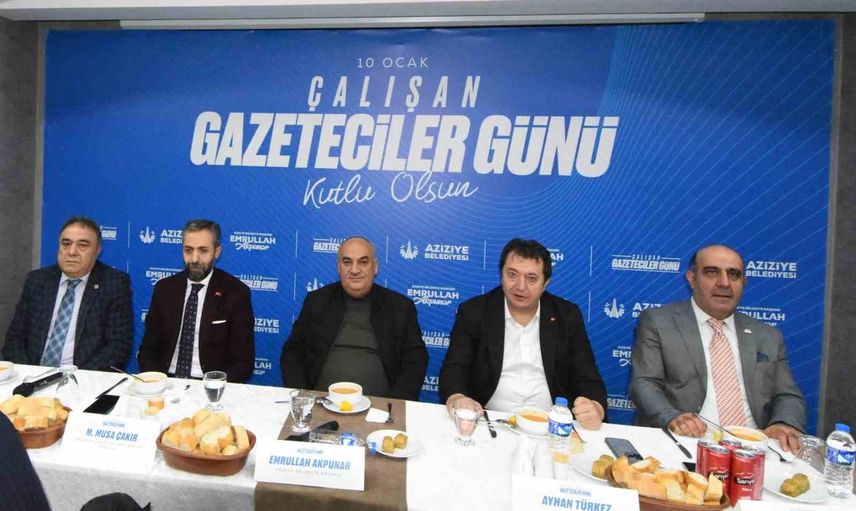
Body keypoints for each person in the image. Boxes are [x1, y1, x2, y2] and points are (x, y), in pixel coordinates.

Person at [629, 244, 807, 452]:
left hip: (752, 448)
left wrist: (783, 423)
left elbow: (788, 396)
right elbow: (644, 382)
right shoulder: (658, 322)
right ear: (692, 279)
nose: (724, 283)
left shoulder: (768, 335)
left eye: (734, 275)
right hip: (685, 442)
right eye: (712, 273)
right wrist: (672, 417)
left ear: (744, 282)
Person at [439, 238, 608, 430]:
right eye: (512, 274)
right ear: (501, 274)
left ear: (546, 283)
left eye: (531, 278)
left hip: (551, 424)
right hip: (490, 421)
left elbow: (587, 376)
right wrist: (458, 397)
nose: (520, 286)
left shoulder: (567, 315)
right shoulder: (474, 312)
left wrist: (596, 408)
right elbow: (455, 369)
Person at [280, 236, 427, 400]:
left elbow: (416, 359)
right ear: (338, 267)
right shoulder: (317, 300)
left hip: (381, 406)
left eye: (363, 262)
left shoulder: (400, 307)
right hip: (320, 402)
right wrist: (302, 396)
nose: (355, 270)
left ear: (375, 267)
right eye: (347, 262)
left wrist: (394, 404)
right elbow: (293, 351)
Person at [2, 217, 133, 370]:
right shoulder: (38, 280)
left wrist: (75, 377)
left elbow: (118, 346)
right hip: (33, 374)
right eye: (66, 244)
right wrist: (29, 373)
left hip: (83, 376)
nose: (71, 252)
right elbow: (15, 338)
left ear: (97, 250)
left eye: (82, 245)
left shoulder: (113, 283)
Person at [138, 219, 255, 382]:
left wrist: (215, 386)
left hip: (211, 384)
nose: (194, 259)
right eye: (188, 250)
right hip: (165, 381)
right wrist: (156, 382)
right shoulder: (164, 289)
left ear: (217, 252)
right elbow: (148, 350)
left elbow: (243, 362)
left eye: (203, 250)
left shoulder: (235, 293)